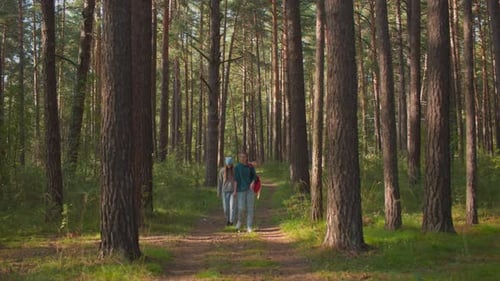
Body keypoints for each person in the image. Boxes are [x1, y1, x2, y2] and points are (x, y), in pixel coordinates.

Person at [234, 151, 257, 233]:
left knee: (250, 209)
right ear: (239, 158)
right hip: (240, 190)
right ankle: (239, 222)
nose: (243, 158)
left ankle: (249, 226)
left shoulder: (250, 167)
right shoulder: (237, 167)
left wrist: (252, 182)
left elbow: (254, 177)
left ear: (247, 158)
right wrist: (234, 191)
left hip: (250, 190)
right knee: (241, 208)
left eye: (244, 157)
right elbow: (236, 180)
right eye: (241, 157)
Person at [217, 156, 236, 226]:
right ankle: (227, 219)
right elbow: (219, 182)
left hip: (233, 191)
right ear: (226, 164)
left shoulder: (234, 170)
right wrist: (218, 192)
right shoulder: (222, 171)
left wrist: (237, 191)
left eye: (230, 164)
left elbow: (237, 181)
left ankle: (231, 221)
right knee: (226, 208)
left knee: (232, 207)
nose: (229, 166)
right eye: (228, 164)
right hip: (224, 192)